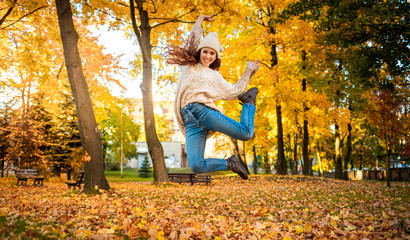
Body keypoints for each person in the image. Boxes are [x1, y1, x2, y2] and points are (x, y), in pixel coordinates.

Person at [165, 15, 260, 180]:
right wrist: (200, 19)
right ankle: (230, 163)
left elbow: (235, 90)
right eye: (205, 52)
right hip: (190, 121)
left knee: (246, 133)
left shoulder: (214, 76)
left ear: (216, 57)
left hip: (204, 112)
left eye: (212, 54)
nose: (207, 56)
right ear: (200, 52)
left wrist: (248, 72)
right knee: (196, 165)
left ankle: (249, 103)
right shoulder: (191, 65)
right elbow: (192, 39)